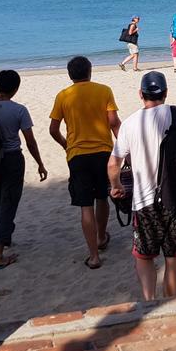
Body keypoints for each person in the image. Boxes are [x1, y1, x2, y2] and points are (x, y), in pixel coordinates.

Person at [108, 71, 176, 300]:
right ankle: (170, 301)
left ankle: (149, 301)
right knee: (173, 258)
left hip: (143, 201)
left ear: (140, 94)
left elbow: (114, 164)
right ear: (166, 93)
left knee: (144, 257)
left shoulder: (130, 123)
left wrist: (116, 186)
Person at [48, 56, 120, 269]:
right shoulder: (104, 90)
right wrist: (123, 146)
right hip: (103, 152)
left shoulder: (63, 96)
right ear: (90, 71)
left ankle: (94, 256)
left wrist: (66, 145)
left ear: (70, 75)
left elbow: (53, 130)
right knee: (102, 198)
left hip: (77, 156)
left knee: (85, 205)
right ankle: (100, 237)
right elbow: (114, 123)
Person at [0, 70, 47, 269]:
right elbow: (30, 141)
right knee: (9, 202)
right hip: (12, 159)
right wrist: (39, 162)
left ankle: (4, 236)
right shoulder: (19, 110)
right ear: (16, 88)